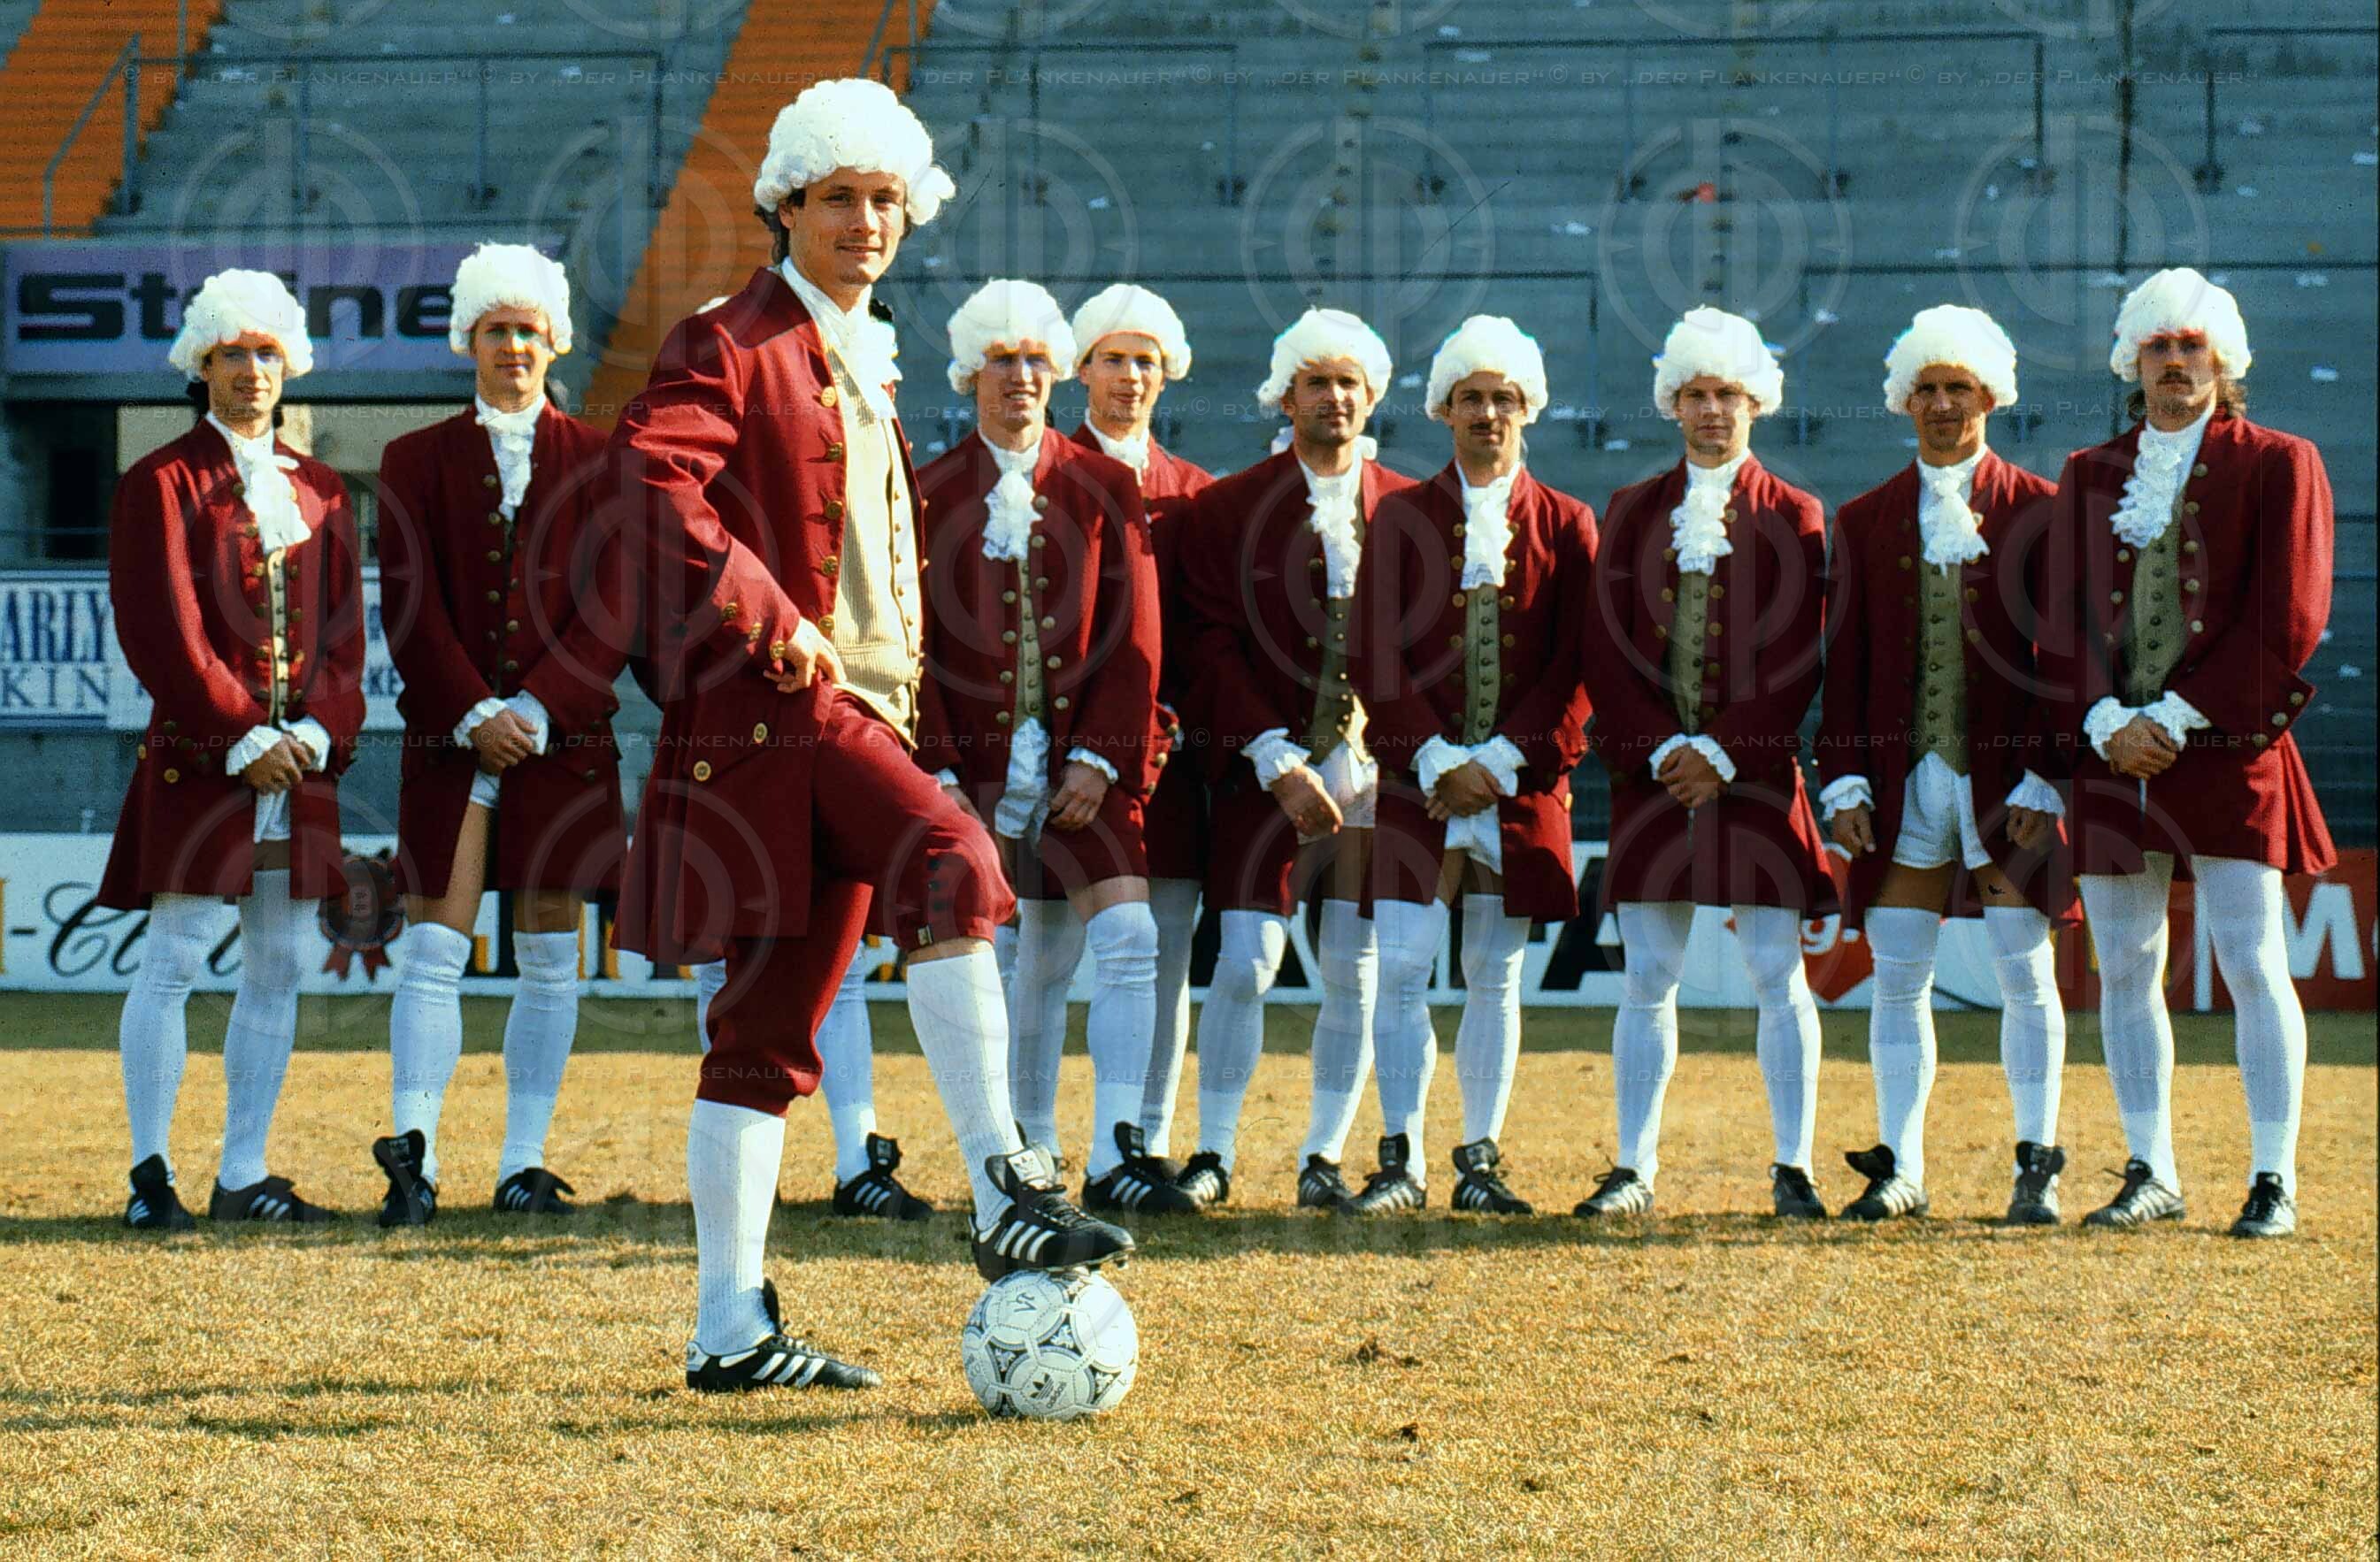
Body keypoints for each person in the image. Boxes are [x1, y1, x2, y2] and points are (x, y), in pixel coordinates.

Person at [604, 79, 1132, 1395]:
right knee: (956, 865)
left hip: (856, 715)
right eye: (837, 197)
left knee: (761, 1033)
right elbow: (647, 475)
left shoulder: (858, 347)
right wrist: (762, 605)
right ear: (784, 205)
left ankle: (728, 1329)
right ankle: (1005, 1186)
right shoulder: (730, 336)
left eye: (885, 198)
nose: (864, 220)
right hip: (780, 710)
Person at [2038, 268, 2334, 1238]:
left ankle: (2272, 1176)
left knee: (2251, 959)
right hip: (2110, 746)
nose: (2174, 361)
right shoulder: (2088, 471)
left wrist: (2176, 714)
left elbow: (2289, 616)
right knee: (2125, 965)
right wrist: (2101, 720)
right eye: (2158, 346)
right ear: (2132, 361)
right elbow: (2061, 619)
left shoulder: (2281, 461)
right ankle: (2150, 1168)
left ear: (2223, 358)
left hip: (2227, 739)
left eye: (2191, 345)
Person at [99, 269, 367, 1228]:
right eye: (231, 353)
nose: (251, 370)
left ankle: (243, 1172)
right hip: (206, 754)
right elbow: (160, 630)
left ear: (289, 365)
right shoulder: (161, 481)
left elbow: (345, 634)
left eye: (266, 352)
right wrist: (241, 732)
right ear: (200, 365)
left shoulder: (323, 487)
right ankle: (151, 1175)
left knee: (282, 960)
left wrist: (317, 728)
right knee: (175, 955)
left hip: (297, 763)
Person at [372, 243, 624, 1225]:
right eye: (494, 330)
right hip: (451, 733)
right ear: (466, 341)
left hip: (566, 737)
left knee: (551, 951)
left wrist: (541, 707)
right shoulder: (412, 458)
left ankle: (524, 1161)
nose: (512, 346)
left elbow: (613, 606)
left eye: (527, 330)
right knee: (434, 942)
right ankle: (416, 1155)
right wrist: (475, 710)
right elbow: (409, 604)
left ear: (553, 341)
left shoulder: (603, 459)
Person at [913, 279, 1178, 1214]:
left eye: (1035, 360)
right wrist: (940, 770)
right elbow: (913, 645)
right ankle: (1022, 1145)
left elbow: (1136, 634)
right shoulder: (927, 491)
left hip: (1084, 768)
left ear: (1058, 371)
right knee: (1005, 958)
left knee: (1131, 937)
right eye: (1002, 360)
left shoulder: (1105, 484)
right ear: (970, 374)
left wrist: (1101, 758)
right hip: (972, 770)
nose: (1020, 376)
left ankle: (1118, 1150)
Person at [1815, 306, 2079, 1224]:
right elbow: (1843, 663)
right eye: (1924, 388)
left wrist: (2047, 776)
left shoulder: (2042, 509)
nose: (1940, 403)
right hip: (1901, 783)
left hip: (2008, 781)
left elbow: (2064, 658)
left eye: (1956, 387)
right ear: (1903, 399)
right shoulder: (1863, 519)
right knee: (1896, 974)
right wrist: (1843, 778)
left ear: (1989, 395)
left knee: (2023, 971)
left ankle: (2036, 1162)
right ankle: (1901, 1165)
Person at [1573, 307, 1835, 1222]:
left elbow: (1798, 654)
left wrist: (1723, 750)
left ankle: (1793, 1165)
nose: (1712, 409)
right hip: (1652, 775)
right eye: (1694, 393)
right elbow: (1603, 647)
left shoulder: (1795, 512)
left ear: (1755, 401)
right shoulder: (1630, 509)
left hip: (1753, 772)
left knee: (1775, 972)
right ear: (1671, 403)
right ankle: (1632, 1165)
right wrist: (1660, 748)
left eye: (1726, 393)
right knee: (1647, 976)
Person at [1347, 316, 1597, 1215]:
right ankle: (1401, 1157)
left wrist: (1500, 759)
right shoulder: (1400, 516)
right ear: (1444, 410)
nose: (1487, 412)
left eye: (1503, 398)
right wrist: (1429, 756)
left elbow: (1578, 663)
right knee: (1401, 966)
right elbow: (1372, 650)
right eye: (1470, 398)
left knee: (1496, 974)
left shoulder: (1568, 521)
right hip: (1417, 782)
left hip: (1517, 785)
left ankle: (1479, 1158)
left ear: (1527, 409)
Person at [1175, 307, 1420, 1211]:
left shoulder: (1410, 507)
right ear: (1285, 396)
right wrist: (1272, 756)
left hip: (1374, 772)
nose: (1334, 397)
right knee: (1245, 961)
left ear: (1372, 395)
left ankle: (1323, 1152)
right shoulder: (1227, 506)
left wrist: (1395, 748)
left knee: (1354, 970)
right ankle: (1213, 1150)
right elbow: (1206, 644)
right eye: (1316, 381)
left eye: (1349, 382)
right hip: (1264, 769)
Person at [1066, 283, 1217, 1196]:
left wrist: (1152, 737)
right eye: (1113, 358)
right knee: (1039, 954)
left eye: (1145, 361)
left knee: (1162, 954)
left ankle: (1141, 1140)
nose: (1129, 376)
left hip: (1168, 767)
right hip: (1058, 760)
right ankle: (1028, 1139)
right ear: (1081, 369)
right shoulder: (1042, 474)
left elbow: (1199, 639)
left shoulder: (1195, 495)